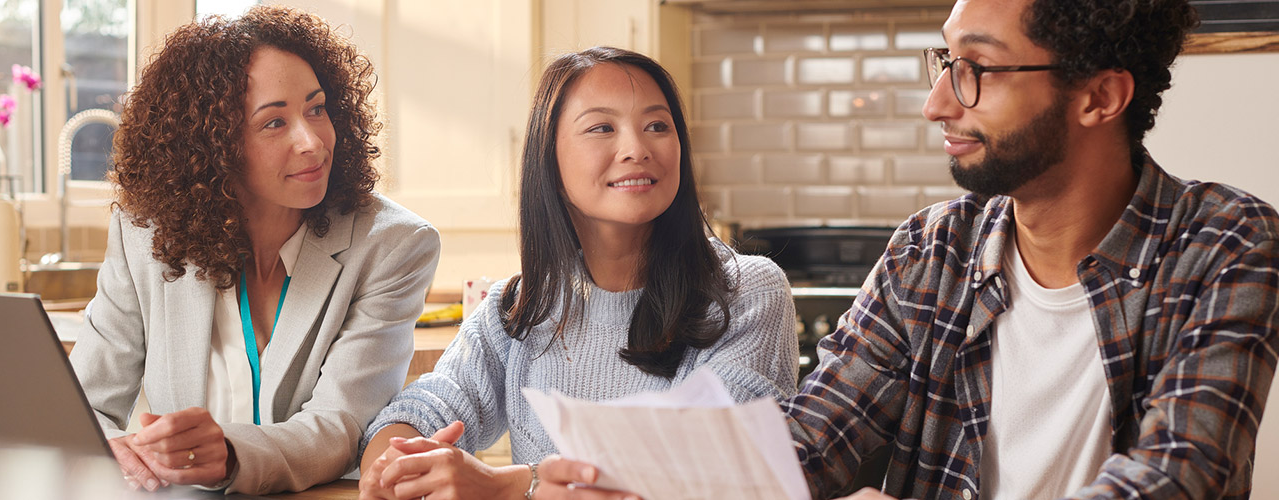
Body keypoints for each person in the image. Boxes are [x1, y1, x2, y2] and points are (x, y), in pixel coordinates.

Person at [534, 0, 1279, 498]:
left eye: (975, 70)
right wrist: (638, 476)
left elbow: (1175, 481)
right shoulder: (932, 248)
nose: (937, 103)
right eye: (944, 62)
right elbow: (810, 440)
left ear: (1099, 98)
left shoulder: (1223, 244)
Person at [355, 46, 800, 500]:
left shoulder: (747, 291)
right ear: (550, 159)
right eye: (602, 128)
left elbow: (713, 466)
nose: (637, 148)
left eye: (657, 126)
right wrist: (396, 462)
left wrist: (514, 484)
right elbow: (434, 401)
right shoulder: (522, 307)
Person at [67, 6, 440, 495]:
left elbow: (342, 425)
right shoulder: (144, 234)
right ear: (212, 145)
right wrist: (106, 449)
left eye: (316, 109)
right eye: (273, 123)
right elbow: (82, 405)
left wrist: (229, 456)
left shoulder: (393, 245)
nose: (312, 141)